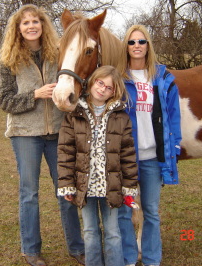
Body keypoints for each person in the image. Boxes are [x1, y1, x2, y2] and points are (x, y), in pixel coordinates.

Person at [0, 4, 85, 266]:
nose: (31, 26)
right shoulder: (9, 59)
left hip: (58, 132)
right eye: (25, 23)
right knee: (29, 193)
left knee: (66, 189)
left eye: (35, 21)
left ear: (43, 25)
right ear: (18, 28)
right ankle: (31, 249)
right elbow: (4, 101)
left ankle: (77, 247)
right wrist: (35, 95)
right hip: (25, 134)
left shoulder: (58, 54)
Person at [57, 65, 138, 266]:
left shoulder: (121, 117)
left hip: (112, 186)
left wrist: (129, 186)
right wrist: (67, 184)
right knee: (90, 232)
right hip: (84, 186)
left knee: (112, 232)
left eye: (108, 87)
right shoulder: (74, 114)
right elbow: (66, 152)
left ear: (114, 91)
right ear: (92, 82)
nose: (102, 89)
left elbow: (128, 154)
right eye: (100, 83)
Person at [117, 25, 182, 266]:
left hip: (153, 157)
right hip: (127, 158)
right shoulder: (118, 78)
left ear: (148, 46)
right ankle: (129, 258)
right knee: (124, 211)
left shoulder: (162, 78)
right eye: (132, 42)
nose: (136, 46)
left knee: (151, 211)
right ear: (126, 46)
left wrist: (174, 146)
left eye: (141, 42)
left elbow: (174, 115)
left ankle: (153, 259)